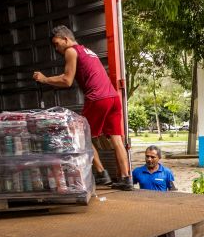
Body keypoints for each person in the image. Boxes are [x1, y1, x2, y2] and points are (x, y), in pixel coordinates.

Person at [33, 25, 132, 191]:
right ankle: (126, 178)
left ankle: (101, 173)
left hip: (98, 98)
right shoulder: (88, 51)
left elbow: (67, 80)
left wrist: (44, 79)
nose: (56, 48)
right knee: (116, 139)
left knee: (81, 136)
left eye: (57, 44)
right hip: (113, 98)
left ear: (66, 39)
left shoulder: (71, 51)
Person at [132, 145, 182, 237]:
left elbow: (173, 192)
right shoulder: (137, 172)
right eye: (147, 156)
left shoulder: (166, 172)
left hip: (164, 214)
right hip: (146, 215)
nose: (149, 159)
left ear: (159, 158)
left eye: (152, 157)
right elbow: (129, 190)